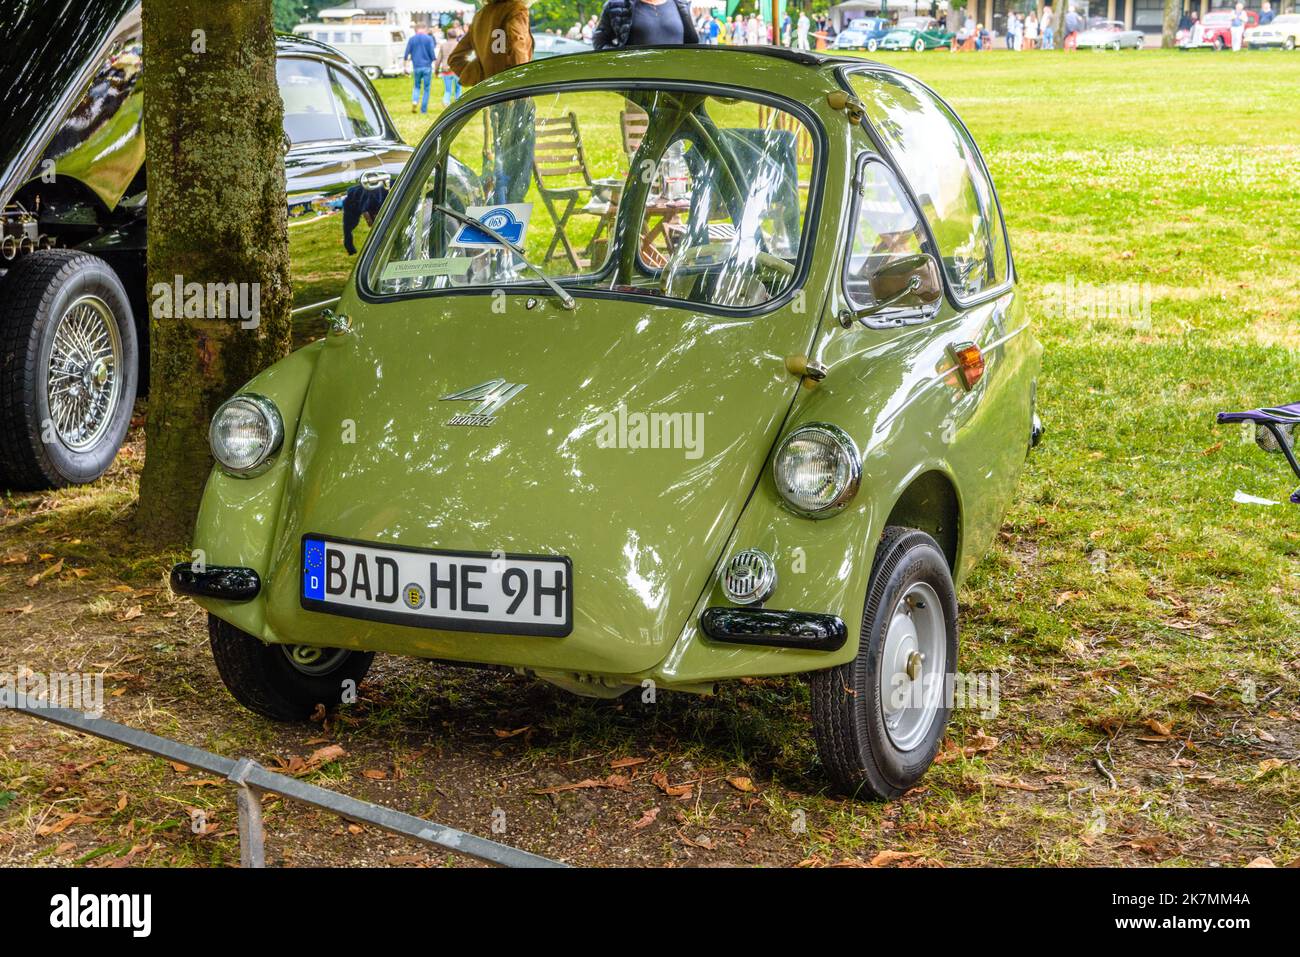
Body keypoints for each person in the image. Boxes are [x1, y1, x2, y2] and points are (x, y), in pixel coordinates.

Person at [592, 0, 701, 50]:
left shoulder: (681, 4)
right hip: (638, 84)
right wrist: (620, 61)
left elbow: (693, 43)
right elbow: (600, 42)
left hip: (676, 83)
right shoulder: (616, 5)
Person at [403, 25, 436, 114]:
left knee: (417, 86)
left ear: (415, 30)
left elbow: (406, 54)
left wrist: (405, 66)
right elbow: (432, 52)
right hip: (427, 66)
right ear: (424, 29)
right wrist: (433, 60)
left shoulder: (411, 39)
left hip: (416, 66)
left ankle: (415, 100)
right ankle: (423, 110)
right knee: (426, 88)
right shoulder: (429, 39)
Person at [436, 26, 462, 107]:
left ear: (447, 36)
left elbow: (438, 59)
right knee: (458, 88)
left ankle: (446, 101)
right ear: (456, 36)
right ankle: (458, 103)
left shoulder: (443, 45)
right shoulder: (459, 45)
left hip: (446, 70)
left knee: (448, 90)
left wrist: (436, 70)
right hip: (457, 70)